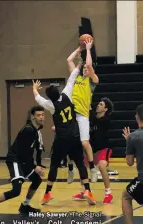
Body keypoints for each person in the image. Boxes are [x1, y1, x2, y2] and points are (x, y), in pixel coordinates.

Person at [33, 66, 96, 206]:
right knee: (80, 164)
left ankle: (48, 193)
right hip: (74, 137)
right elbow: (72, 77)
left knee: (54, 165)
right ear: (58, 91)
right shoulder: (67, 94)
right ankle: (88, 190)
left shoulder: (51, 105)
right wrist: (79, 65)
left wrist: (34, 89)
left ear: (50, 97)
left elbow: (38, 99)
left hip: (62, 139)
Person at [0, 106, 46, 221]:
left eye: (42, 115)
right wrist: (35, 167)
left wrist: (35, 165)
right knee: (16, 190)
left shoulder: (35, 131)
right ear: (32, 117)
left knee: (37, 180)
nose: (41, 117)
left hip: (24, 161)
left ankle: (25, 206)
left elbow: (30, 152)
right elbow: (22, 152)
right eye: (38, 115)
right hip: (15, 160)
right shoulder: (28, 130)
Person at [67, 40, 99, 183]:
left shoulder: (92, 81)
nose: (86, 69)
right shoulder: (76, 78)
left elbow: (90, 65)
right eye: (84, 68)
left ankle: (93, 169)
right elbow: (69, 60)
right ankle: (70, 169)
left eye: (88, 68)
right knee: (68, 142)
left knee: (85, 143)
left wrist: (88, 49)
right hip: (71, 115)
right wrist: (79, 48)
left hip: (83, 115)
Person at [73, 98, 114, 204]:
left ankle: (108, 193)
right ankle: (84, 191)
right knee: (82, 167)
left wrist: (88, 108)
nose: (98, 105)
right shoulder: (91, 120)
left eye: (101, 104)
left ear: (105, 109)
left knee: (101, 166)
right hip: (92, 150)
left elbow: (96, 121)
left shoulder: (106, 119)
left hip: (103, 149)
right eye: (98, 103)